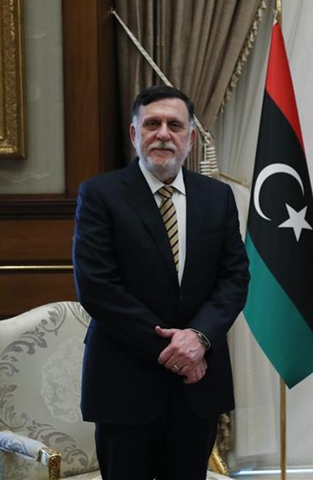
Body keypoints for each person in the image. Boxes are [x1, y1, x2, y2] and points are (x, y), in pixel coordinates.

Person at [73, 84, 250, 479]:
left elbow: (234, 278)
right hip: (125, 383)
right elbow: (97, 287)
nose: (164, 134)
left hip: (199, 386)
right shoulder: (100, 194)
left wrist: (199, 338)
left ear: (190, 138)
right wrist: (176, 352)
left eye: (175, 125)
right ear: (134, 134)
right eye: (152, 124)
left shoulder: (217, 197)